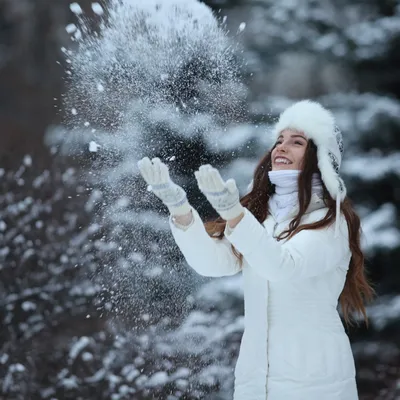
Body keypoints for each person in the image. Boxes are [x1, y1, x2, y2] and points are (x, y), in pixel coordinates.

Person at [137, 100, 374, 400]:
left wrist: (236, 215)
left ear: (319, 158)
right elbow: (213, 263)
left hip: (316, 383)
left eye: (296, 142)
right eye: (278, 141)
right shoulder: (263, 219)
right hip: (256, 381)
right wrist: (179, 209)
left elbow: (283, 266)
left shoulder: (330, 221)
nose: (281, 148)